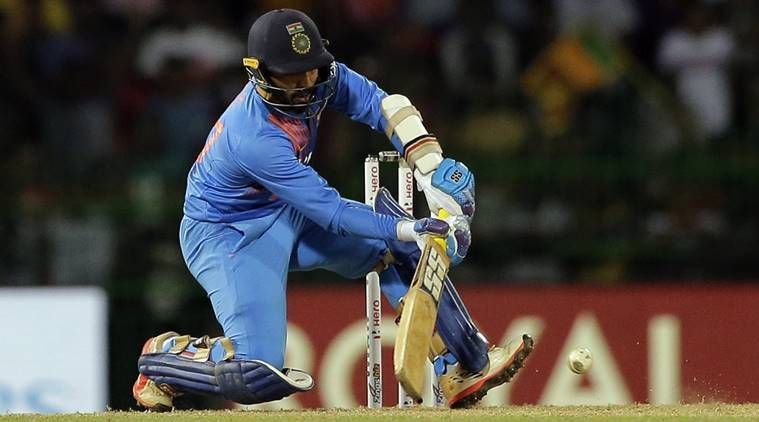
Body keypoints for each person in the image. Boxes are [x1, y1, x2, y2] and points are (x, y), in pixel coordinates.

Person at [132, 8, 533, 410]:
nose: (305, 84)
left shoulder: (321, 76)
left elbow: (384, 104)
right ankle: (163, 359)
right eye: (291, 76)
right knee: (254, 375)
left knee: (395, 253)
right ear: (259, 74)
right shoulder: (254, 138)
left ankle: (463, 366)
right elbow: (332, 213)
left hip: (284, 211)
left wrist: (430, 166)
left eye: (310, 71)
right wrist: (412, 227)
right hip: (228, 237)